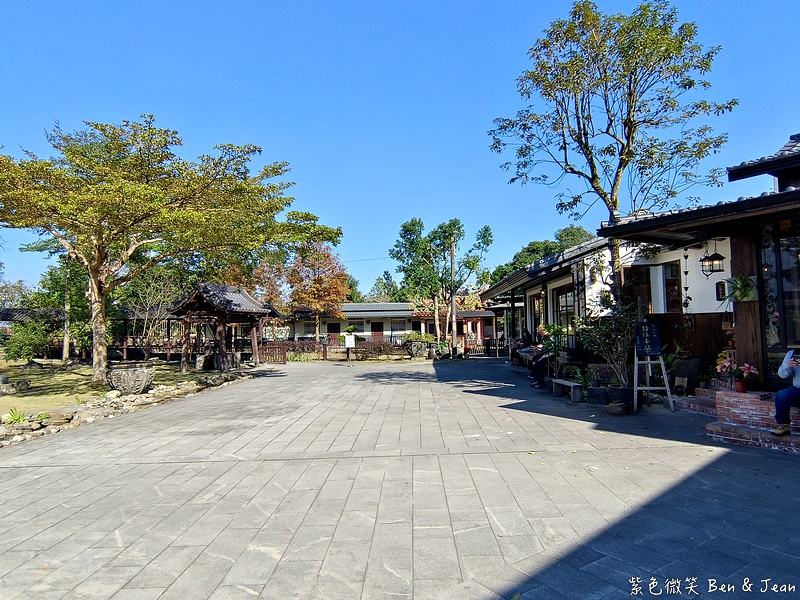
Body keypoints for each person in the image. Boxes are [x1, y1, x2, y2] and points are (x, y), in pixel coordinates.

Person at [772, 350, 800, 436]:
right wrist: (788, 366)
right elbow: (781, 374)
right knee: (782, 395)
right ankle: (784, 425)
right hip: (798, 390)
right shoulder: (793, 353)